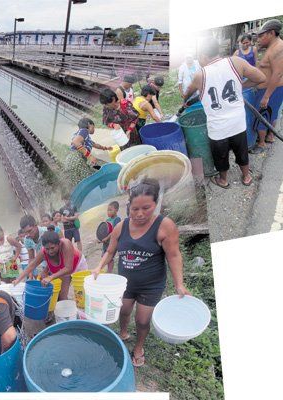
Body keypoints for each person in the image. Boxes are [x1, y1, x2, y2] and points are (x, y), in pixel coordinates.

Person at [91, 179, 191, 367]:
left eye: (146, 208)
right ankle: (123, 332)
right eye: (134, 209)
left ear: (155, 204)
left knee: (142, 320)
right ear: (128, 206)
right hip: (125, 283)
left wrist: (179, 283)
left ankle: (138, 347)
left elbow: (174, 255)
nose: (139, 214)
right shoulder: (122, 226)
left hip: (150, 285)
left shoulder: (165, 226)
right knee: (124, 310)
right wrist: (99, 267)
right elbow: (110, 251)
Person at [184, 37, 266, 189]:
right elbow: (261, 78)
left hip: (218, 128)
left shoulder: (199, 75)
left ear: (202, 56)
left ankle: (223, 180)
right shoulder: (236, 62)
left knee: (220, 155)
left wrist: (185, 100)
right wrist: (241, 84)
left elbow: (187, 94)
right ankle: (247, 177)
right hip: (238, 123)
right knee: (241, 151)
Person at [14, 230, 88, 301]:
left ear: (58, 244)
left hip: (78, 265)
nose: (50, 251)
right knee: (61, 296)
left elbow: (68, 268)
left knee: (82, 292)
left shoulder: (66, 244)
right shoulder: (43, 252)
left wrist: (50, 277)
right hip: (63, 270)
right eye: (47, 249)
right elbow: (31, 266)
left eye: (52, 248)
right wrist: (18, 279)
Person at [253, 19, 283, 152]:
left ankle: (261, 144)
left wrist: (266, 96)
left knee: (263, 115)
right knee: (272, 113)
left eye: (261, 35)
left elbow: (277, 74)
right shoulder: (273, 47)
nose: (258, 39)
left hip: (271, 90)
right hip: (272, 89)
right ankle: (270, 137)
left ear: (271, 33)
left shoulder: (278, 48)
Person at [100, 201, 122, 266]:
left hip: (112, 242)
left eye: (110, 210)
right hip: (105, 243)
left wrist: (107, 238)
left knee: (110, 257)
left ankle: (110, 271)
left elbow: (115, 231)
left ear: (116, 210)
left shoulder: (117, 219)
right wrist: (100, 239)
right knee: (104, 256)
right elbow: (104, 231)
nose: (108, 212)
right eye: (107, 210)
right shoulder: (107, 220)